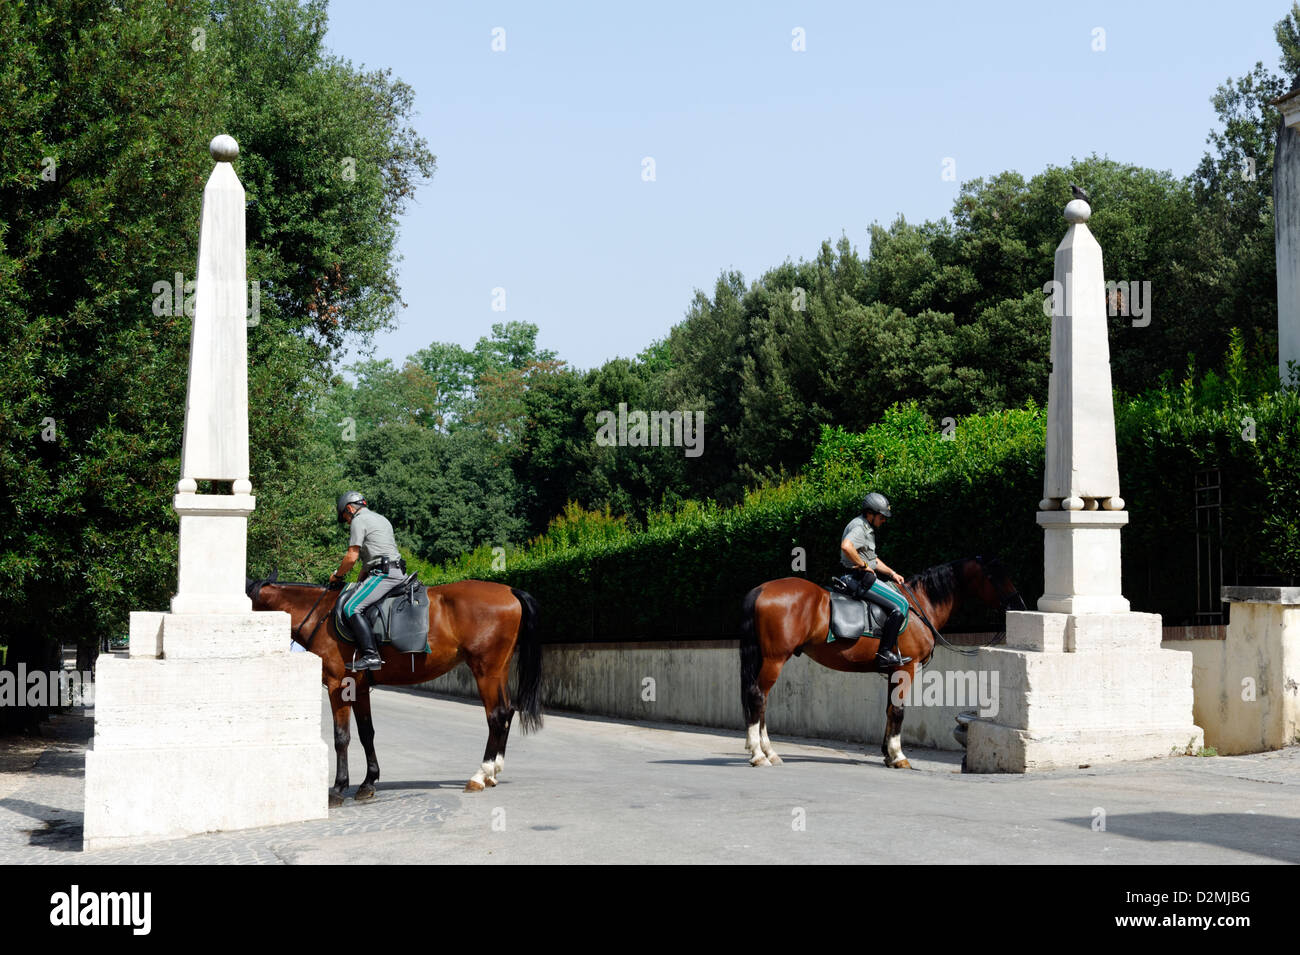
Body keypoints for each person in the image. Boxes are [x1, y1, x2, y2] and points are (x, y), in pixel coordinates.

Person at [328, 491, 407, 671]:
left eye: (345, 518)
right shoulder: (381, 519)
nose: (347, 521)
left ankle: (371, 655)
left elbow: (351, 557)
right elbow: (368, 562)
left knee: (351, 607)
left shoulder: (358, 520)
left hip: (384, 574)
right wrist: (358, 583)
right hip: (395, 570)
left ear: (349, 509)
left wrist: (337, 576)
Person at [839, 491, 911, 668]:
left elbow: (874, 560)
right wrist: (863, 566)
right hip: (858, 577)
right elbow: (846, 547)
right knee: (902, 604)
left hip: (860, 574)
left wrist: (892, 573)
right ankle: (884, 654)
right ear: (870, 514)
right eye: (882, 516)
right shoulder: (860, 527)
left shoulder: (865, 528)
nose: (884, 520)